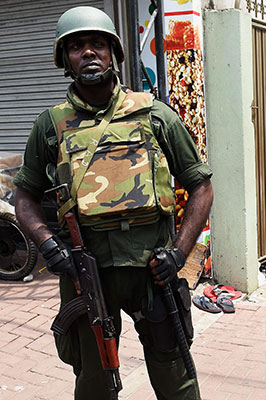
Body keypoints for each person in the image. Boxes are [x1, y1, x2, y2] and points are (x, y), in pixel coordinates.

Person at [12, 7, 212, 399]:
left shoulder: (155, 116)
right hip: (86, 273)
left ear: (114, 53)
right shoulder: (50, 125)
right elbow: (24, 196)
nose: (88, 52)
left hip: (153, 271)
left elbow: (200, 185)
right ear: (64, 59)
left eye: (98, 44)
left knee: (176, 378)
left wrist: (180, 252)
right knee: (94, 383)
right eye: (76, 46)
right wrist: (48, 246)